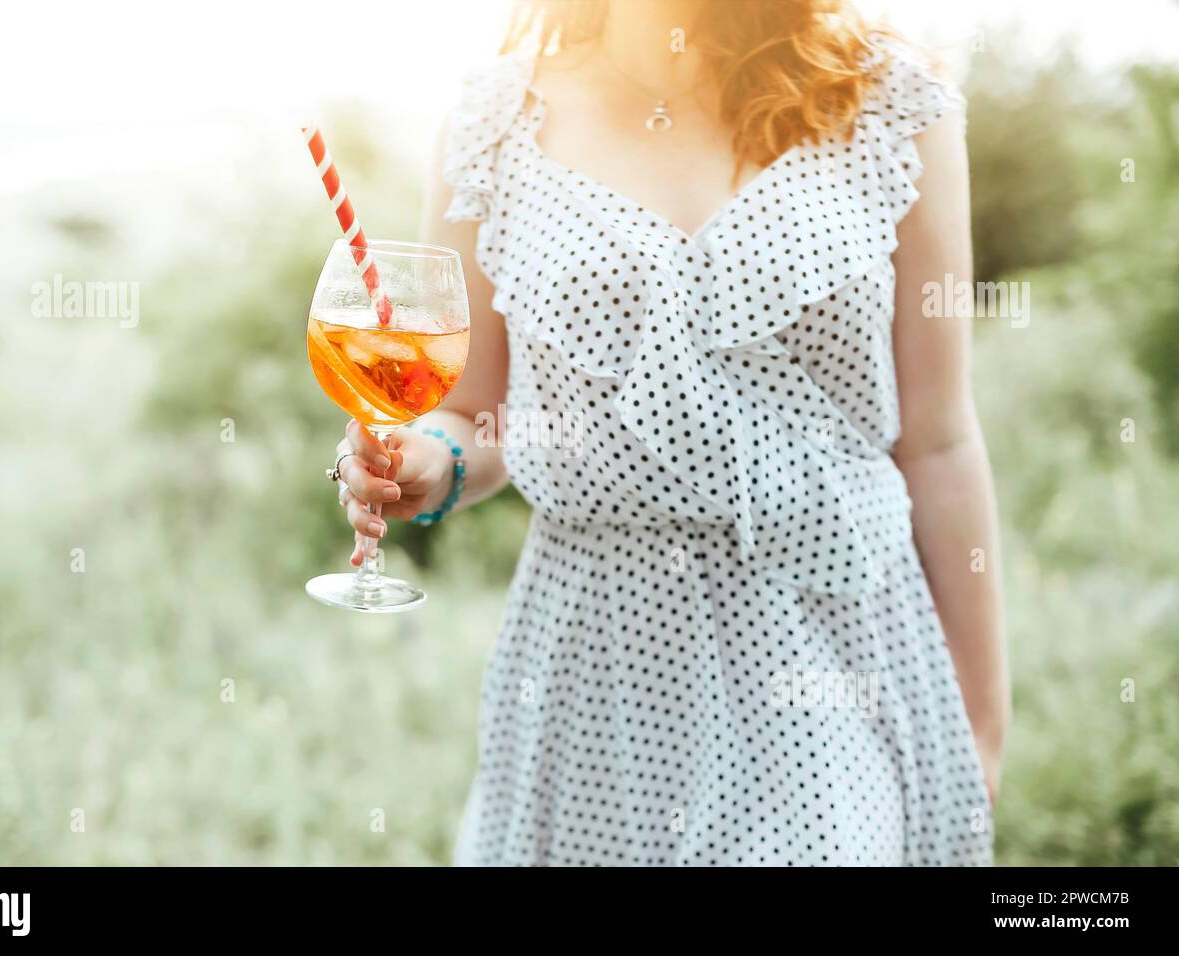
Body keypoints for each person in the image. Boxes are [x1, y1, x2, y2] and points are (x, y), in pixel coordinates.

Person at [332, 0, 1008, 865]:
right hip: (597, 671)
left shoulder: (893, 102)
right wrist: (435, 460)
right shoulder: (491, 123)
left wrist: (982, 725)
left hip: (833, 644)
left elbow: (940, 441)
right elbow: (480, 416)